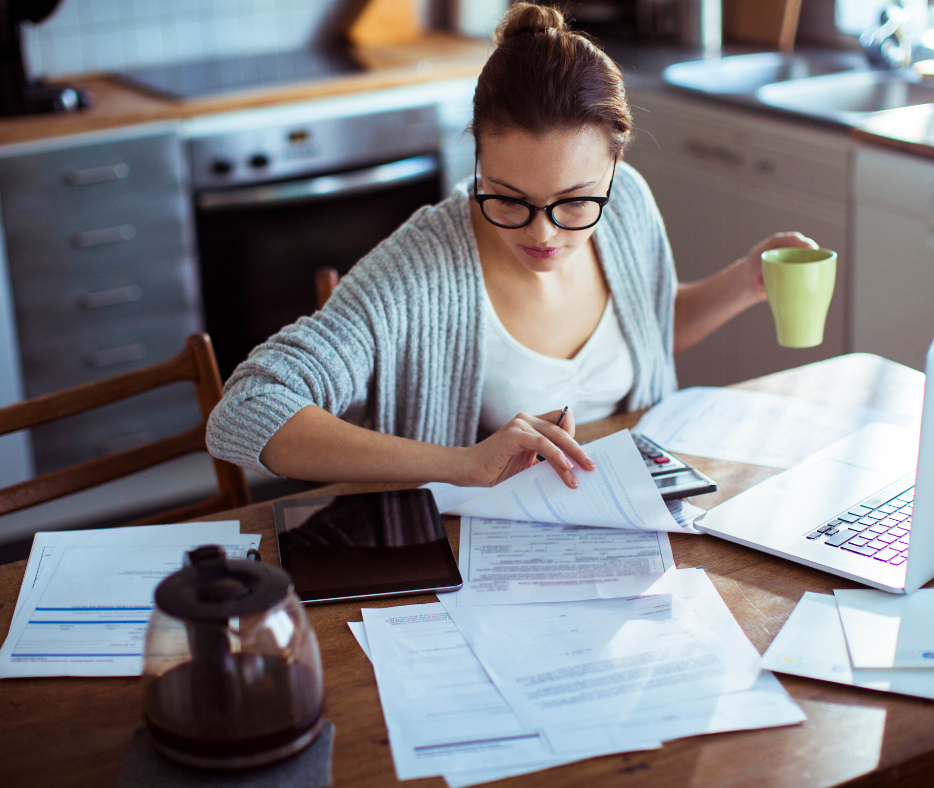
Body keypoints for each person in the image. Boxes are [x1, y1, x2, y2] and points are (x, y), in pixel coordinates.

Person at [206, 2, 815, 491]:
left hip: (628, 519)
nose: (542, 233)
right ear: (476, 158)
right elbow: (245, 412)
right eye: (508, 197)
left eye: (576, 201)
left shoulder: (626, 203)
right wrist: (462, 464)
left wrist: (744, 282)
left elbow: (650, 323)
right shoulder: (420, 271)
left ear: (615, 165)